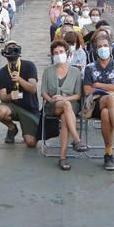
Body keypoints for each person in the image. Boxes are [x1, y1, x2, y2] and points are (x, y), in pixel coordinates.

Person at [82, 34, 114, 171]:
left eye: (105, 46)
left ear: (110, 48)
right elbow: (87, 90)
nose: (102, 48)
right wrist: (110, 87)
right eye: (99, 47)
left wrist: (99, 85)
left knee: (106, 113)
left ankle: (108, 154)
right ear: (95, 49)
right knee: (109, 98)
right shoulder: (90, 67)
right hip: (95, 103)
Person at [41, 41, 88, 170]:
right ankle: (77, 140)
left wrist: (64, 98)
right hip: (52, 105)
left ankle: (62, 157)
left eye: (61, 52)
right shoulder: (48, 71)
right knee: (65, 106)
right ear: (52, 55)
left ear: (67, 53)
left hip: (71, 105)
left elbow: (78, 95)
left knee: (65, 115)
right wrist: (52, 100)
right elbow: (43, 92)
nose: (58, 55)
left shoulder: (76, 72)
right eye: (55, 53)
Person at [0, 42, 40, 147]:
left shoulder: (29, 65)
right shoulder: (1, 73)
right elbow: (2, 97)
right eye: (9, 48)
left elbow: (33, 89)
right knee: (0, 111)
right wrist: (11, 96)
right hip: (13, 106)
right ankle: (12, 128)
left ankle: (27, 129)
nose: (12, 50)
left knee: (31, 143)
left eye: (14, 48)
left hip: (29, 108)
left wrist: (19, 79)